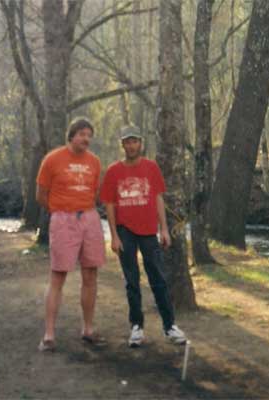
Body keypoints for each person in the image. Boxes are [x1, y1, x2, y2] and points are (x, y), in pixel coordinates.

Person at [100, 125, 187, 347]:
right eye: (127, 142)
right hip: (124, 230)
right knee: (132, 281)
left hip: (149, 231)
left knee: (158, 278)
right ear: (123, 145)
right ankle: (136, 327)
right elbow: (109, 204)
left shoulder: (151, 168)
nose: (131, 146)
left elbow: (158, 199)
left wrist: (164, 229)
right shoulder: (113, 171)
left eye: (134, 141)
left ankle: (170, 326)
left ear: (141, 143)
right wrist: (114, 236)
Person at [36, 117, 106, 351]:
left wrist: (84, 212)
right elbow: (41, 194)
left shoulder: (94, 162)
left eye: (89, 135)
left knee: (90, 275)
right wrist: (59, 212)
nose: (86, 139)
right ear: (71, 135)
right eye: (82, 134)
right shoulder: (52, 159)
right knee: (58, 276)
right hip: (63, 218)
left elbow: (95, 192)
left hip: (89, 217)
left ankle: (87, 328)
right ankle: (49, 335)